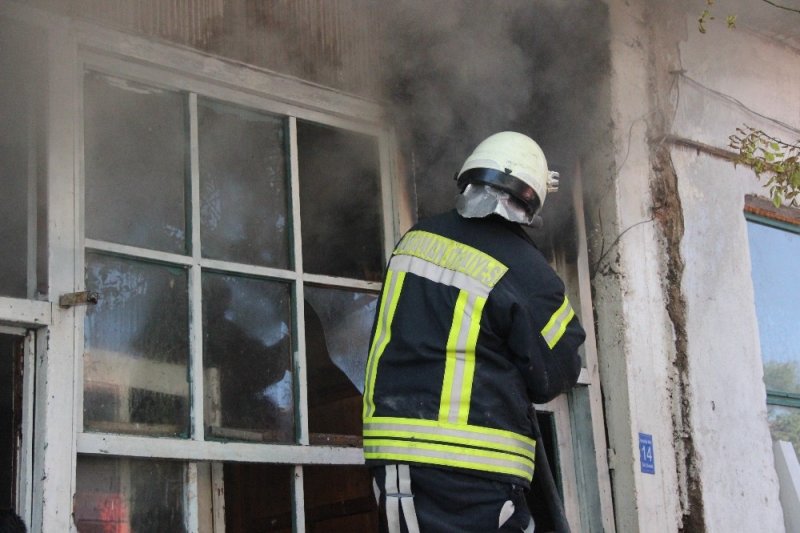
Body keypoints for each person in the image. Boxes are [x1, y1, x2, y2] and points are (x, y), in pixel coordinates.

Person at [362, 132, 585, 532]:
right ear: (531, 199)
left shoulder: (414, 242)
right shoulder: (528, 271)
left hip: (398, 461)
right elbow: (558, 370)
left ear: (468, 179)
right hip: (479, 475)